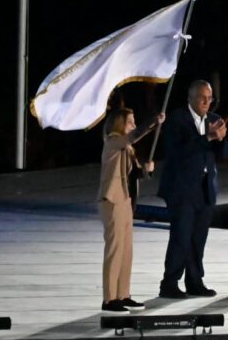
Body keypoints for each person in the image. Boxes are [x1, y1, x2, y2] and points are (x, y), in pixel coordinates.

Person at [158, 80, 228, 298]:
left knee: (198, 238)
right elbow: (177, 151)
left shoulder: (214, 120)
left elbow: (224, 154)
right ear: (191, 98)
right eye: (203, 98)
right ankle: (169, 283)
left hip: (205, 188)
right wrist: (207, 137)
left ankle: (195, 281)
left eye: (210, 99)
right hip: (181, 189)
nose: (207, 102)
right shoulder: (177, 120)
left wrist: (220, 139)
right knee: (181, 236)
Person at [98, 108, 165, 313]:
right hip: (113, 201)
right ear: (119, 125)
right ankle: (109, 298)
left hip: (126, 202)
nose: (134, 126)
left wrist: (146, 170)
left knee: (127, 251)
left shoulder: (127, 148)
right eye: (130, 122)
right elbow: (135, 135)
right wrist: (153, 121)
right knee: (115, 250)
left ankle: (123, 294)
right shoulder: (113, 141)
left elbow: (135, 174)